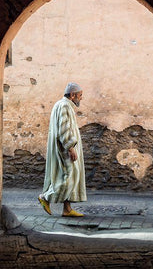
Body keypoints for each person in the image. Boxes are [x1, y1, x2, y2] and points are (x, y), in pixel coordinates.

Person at [38, 82, 87, 217]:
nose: (81, 98)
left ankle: (67, 209)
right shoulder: (64, 106)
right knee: (69, 176)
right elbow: (64, 129)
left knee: (67, 176)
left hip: (64, 147)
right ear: (72, 95)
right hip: (65, 149)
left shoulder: (61, 104)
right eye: (80, 95)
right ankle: (45, 197)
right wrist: (70, 148)